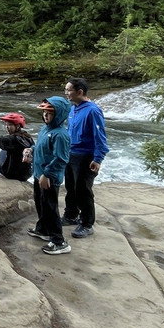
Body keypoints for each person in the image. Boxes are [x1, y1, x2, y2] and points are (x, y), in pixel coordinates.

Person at [61, 78, 110, 238]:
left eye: (69, 90)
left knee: (83, 190)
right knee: (71, 187)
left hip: (86, 156)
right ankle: (70, 215)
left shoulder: (93, 110)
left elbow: (100, 136)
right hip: (71, 153)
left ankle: (87, 223)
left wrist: (98, 158)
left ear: (80, 91)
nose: (66, 93)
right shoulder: (73, 109)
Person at [26, 95, 72, 255]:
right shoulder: (45, 129)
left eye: (50, 112)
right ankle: (44, 229)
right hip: (39, 175)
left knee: (50, 207)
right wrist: (30, 150)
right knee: (40, 203)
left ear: (59, 114)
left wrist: (47, 174)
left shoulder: (61, 135)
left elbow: (61, 158)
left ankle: (59, 241)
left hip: (49, 178)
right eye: (44, 112)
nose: (46, 115)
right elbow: (39, 145)